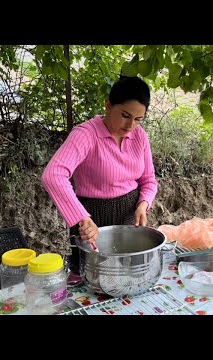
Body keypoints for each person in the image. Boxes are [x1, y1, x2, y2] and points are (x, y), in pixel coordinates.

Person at [41, 75, 158, 275]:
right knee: (93, 279)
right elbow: (53, 175)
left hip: (128, 224)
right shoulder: (86, 135)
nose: (130, 126)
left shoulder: (139, 136)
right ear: (108, 105)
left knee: (127, 278)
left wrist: (143, 204)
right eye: (125, 115)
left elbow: (148, 180)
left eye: (138, 119)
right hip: (92, 224)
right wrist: (81, 218)